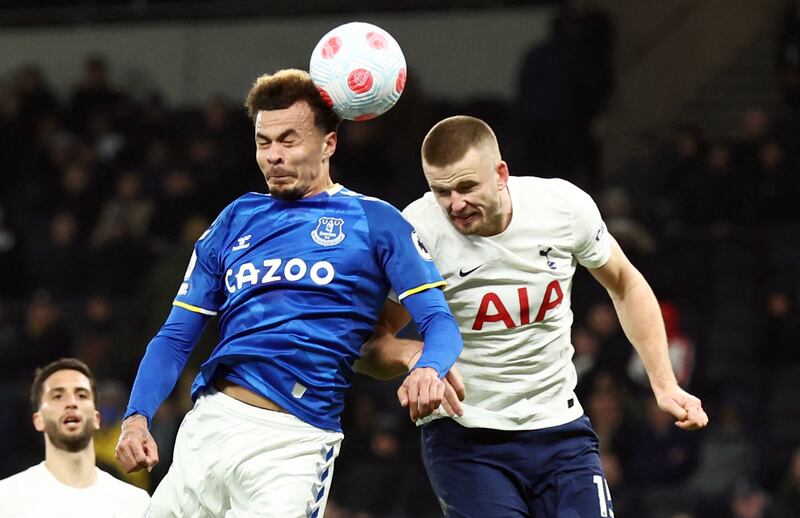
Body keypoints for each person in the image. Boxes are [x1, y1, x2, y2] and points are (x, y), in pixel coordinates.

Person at [114, 69, 463, 517]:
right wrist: (136, 416)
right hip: (207, 427)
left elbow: (439, 322)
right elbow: (175, 337)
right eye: (264, 142)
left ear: (328, 144)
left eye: (289, 140)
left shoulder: (376, 222)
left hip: (291, 446)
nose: (274, 156)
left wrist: (428, 367)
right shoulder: (235, 218)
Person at [361, 115, 709, 517]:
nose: (455, 204)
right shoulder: (419, 231)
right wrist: (414, 358)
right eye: (442, 191)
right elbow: (372, 344)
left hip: (560, 428)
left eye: (467, 186)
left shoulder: (561, 208)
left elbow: (625, 284)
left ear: (501, 173)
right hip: (467, 438)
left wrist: (664, 385)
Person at [0, 357, 150, 517]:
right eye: (57, 396)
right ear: (38, 420)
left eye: (81, 395)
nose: (71, 403)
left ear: (96, 418)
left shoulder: (135, 503)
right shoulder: (7, 499)